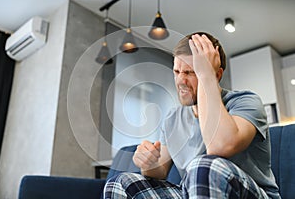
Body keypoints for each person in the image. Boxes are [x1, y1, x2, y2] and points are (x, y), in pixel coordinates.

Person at [103, 32, 280, 198]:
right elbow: (160, 171)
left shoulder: (245, 101)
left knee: (204, 165)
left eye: (190, 72)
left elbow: (219, 147)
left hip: (251, 194)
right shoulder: (172, 118)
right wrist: (148, 164)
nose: (181, 80)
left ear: (217, 74)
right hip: (194, 192)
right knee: (120, 183)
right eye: (177, 72)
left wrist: (206, 76)